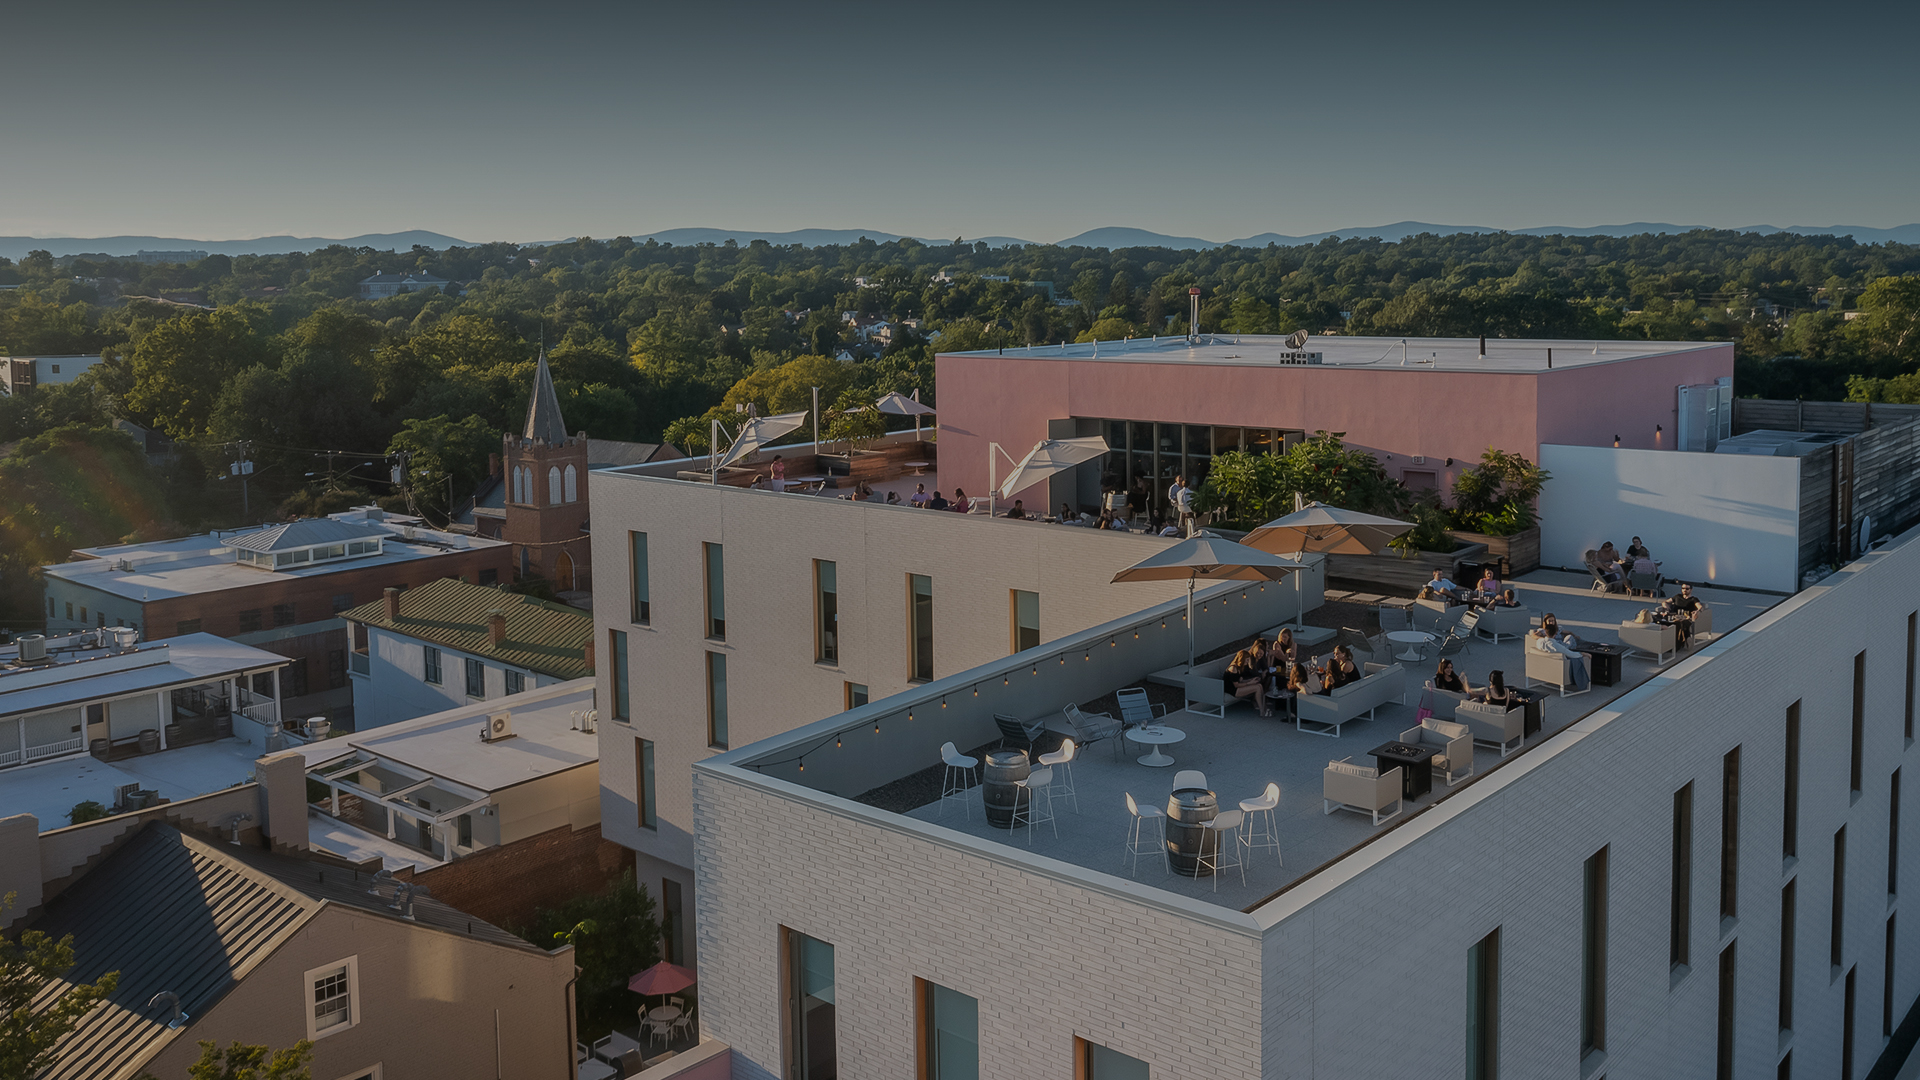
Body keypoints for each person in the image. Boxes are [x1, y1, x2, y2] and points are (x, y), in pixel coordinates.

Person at [1225, 648, 1273, 717]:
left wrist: (1251, 680)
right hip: (1232, 690)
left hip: (1237, 686)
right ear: (1242, 659)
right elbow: (1236, 685)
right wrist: (1249, 683)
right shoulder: (1233, 668)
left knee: (1259, 685)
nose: (1247, 662)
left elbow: (1241, 681)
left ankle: (1264, 707)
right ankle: (1262, 710)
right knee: (1257, 687)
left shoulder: (1240, 667)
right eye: (1247, 660)